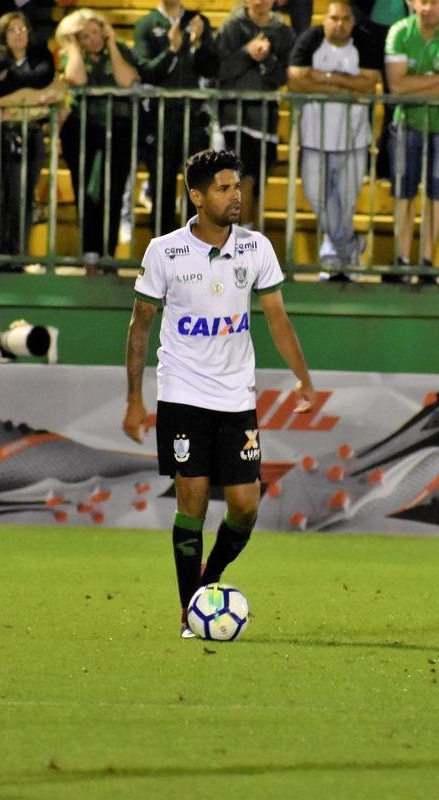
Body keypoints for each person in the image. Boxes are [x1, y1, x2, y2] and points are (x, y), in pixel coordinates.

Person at [122, 148, 315, 639]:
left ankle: (209, 581)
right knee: (191, 502)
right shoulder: (164, 252)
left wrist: (303, 377)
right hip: (182, 392)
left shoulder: (256, 248)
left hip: (236, 396)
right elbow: (140, 326)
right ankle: (191, 611)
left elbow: (277, 318)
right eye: (224, 188)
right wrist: (134, 399)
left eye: (237, 187)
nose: (236, 196)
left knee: (246, 506)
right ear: (197, 195)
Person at [286, 0, 382, 280]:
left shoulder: (364, 41)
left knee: (346, 202)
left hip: (353, 138)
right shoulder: (310, 39)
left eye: (345, 19)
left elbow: (368, 82)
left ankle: (334, 258)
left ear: (352, 22)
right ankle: (350, 245)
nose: (339, 24)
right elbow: (295, 80)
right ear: (324, 19)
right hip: (314, 137)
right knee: (315, 195)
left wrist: (324, 79)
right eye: (334, 18)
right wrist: (345, 84)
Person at [384, 0, 439, 279]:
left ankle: (427, 262)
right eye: (422, 1)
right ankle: (402, 259)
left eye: (434, 1)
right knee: (403, 193)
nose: (427, 7)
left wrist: (415, 83)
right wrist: (438, 80)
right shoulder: (399, 31)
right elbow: (396, 86)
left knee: (438, 193)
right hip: (406, 122)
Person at [56, 8, 138, 265]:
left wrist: (112, 44)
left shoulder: (120, 50)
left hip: (118, 127)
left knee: (114, 191)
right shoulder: (71, 54)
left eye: (95, 32)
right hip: (82, 128)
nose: (92, 39)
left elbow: (126, 81)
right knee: (86, 193)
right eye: (84, 36)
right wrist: (73, 46)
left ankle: (108, 253)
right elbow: (76, 78)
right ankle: (90, 253)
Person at [0, 10, 54, 264]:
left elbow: (44, 77)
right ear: (2, 35)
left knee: (23, 194)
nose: (19, 34)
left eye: (23, 29)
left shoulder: (40, 55)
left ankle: (19, 254)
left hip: (31, 133)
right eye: (12, 29)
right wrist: (28, 89)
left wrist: (10, 79)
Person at [132, 0, 216, 234]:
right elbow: (146, 72)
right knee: (162, 185)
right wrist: (171, 51)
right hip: (160, 117)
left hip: (195, 116)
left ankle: (194, 247)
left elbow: (212, 68)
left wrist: (198, 44)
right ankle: (163, 246)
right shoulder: (146, 24)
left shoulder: (198, 21)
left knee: (197, 186)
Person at [216, 0, 296, 230]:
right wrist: (247, 52)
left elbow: (283, 77)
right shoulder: (232, 26)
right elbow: (219, 70)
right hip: (234, 119)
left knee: (257, 185)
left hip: (266, 121)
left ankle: (247, 238)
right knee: (243, 180)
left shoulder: (284, 32)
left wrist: (266, 59)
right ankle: (242, 239)